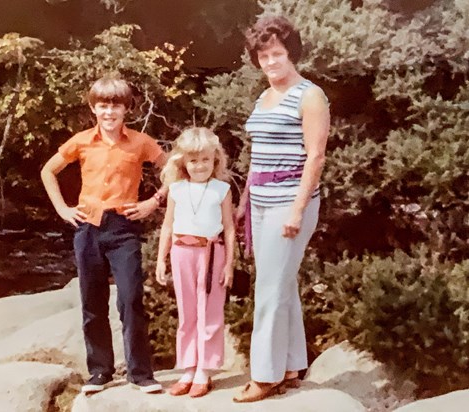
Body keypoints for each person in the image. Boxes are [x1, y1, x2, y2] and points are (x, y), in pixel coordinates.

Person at [40, 76, 167, 394]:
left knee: (130, 298)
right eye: (103, 106)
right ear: (93, 108)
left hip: (124, 227)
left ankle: (140, 372)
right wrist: (63, 209)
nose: (109, 112)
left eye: (116, 106)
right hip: (88, 227)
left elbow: (175, 170)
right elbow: (48, 171)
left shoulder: (140, 142)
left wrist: (152, 202)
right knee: (92, 300)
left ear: (126, 109)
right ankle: (100, 371)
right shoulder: (81, 141)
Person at [233, 15, 331, 402]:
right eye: (263, 55)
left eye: (277, 54)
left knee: (269, 291)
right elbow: (258, 156)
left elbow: (316, 157)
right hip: (260, 201)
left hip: (290, 203)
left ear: (291, 54)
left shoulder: (310, 95)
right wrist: (244, 202)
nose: (270, 62)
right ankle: (290, 366)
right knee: (282, 285)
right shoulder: (265, 96)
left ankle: (264, 376)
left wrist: (296, 210)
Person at [155, 127, 235, 398]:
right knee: (187, 312)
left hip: (211, 253)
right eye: (193, 160)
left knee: (210, 312)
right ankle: (188, 367)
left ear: (215, 160)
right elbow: (167, 227)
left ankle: (205, 369)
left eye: (205, 160)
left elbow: (229, 228)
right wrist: (160, 260)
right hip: (181, 252)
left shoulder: (221, 189)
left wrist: (229, 264)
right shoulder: (176, 189)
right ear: (183, 162)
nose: (199, 166)